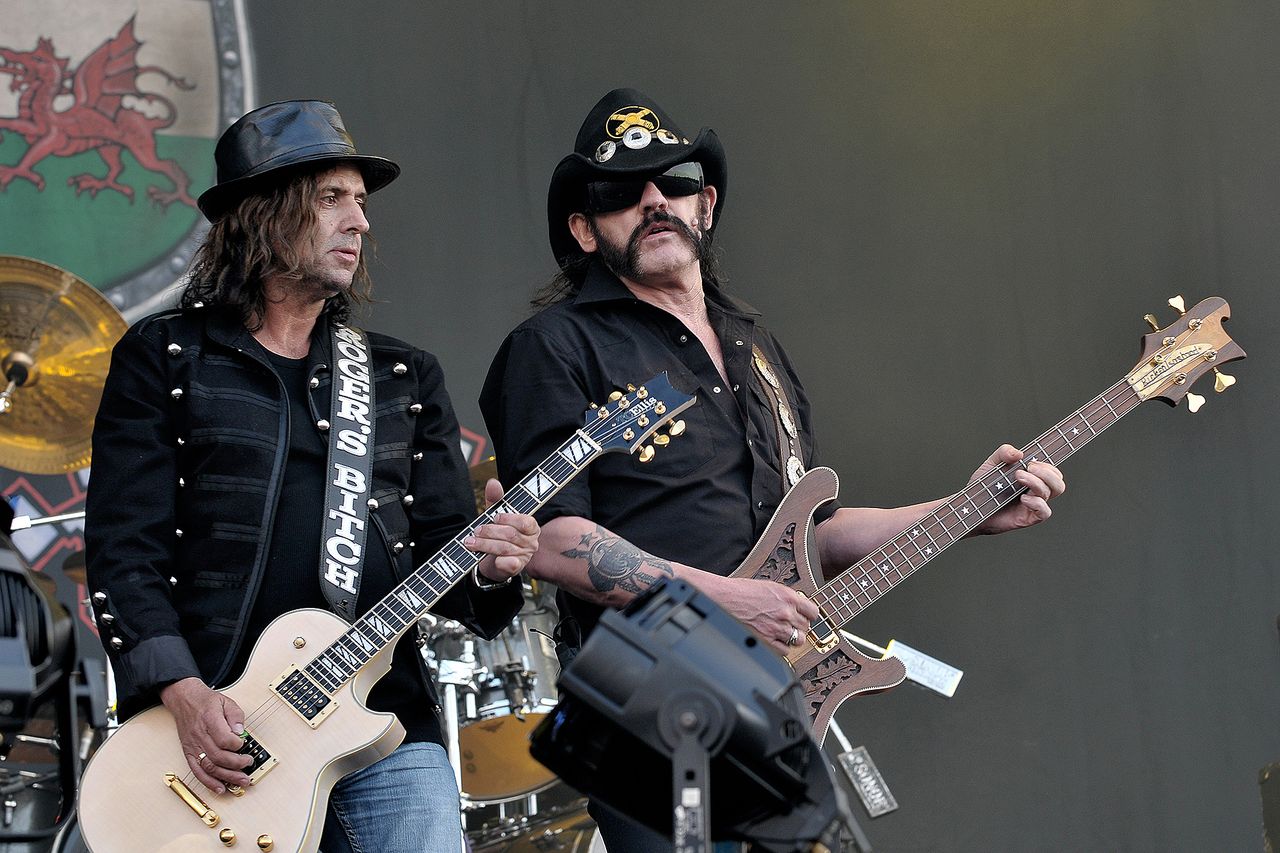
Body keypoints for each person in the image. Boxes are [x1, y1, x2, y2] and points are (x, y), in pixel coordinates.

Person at [479, 88, 1066, 850]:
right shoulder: (555, 347)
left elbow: (813, 533)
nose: (654, 200)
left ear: (707, 204)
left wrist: (964, 508)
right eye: (622, 192)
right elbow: (552, 539)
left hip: (776, 698)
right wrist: (725, 600)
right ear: (586, 230)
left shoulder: (754, 346)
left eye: (674, 181)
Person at [85, 100, 539, 853]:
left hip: (381, 719)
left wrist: (491, 570)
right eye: (333, 198)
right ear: (262, 214)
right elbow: (124, 552)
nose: (359, 222)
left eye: (360, 202)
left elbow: (447, 565)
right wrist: (184, 694)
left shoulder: (402, 376)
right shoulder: (164, 358)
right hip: (220, 720)